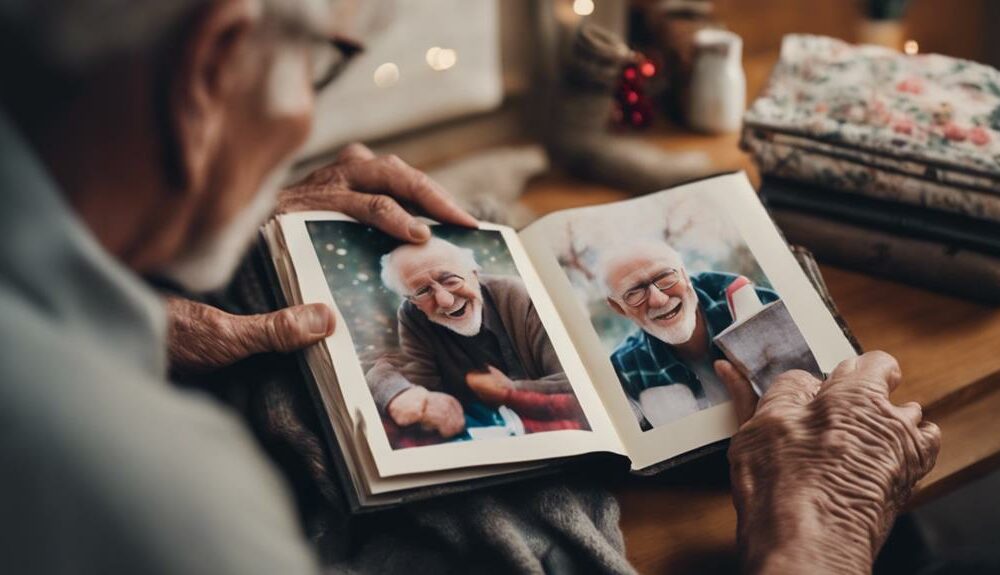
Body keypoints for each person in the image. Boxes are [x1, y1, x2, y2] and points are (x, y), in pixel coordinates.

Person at [0, 0, 940, 573]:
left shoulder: (556, 301)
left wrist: (175, 202)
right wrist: (813, 542)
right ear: (209, 68)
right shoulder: (158, 492)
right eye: (322, 68)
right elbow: (388, 360)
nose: (302, 123)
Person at [370, 237, 580, 440]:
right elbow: (387, 369)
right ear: (412, 300)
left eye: (450, 280)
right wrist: (399, 394)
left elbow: (576, 380)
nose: (445, 300)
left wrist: (511, 391)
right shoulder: (412, 314)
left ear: (474, 273)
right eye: (423, 291)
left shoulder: (520, 296)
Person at [601, 241, 778, 427]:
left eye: (664, 276)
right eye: (634, 293)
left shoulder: (760, 307)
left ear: (685, 275)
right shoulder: (624, 370)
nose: (659, 300)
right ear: (619, 308)